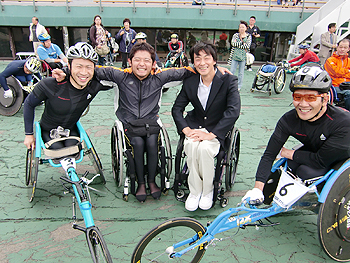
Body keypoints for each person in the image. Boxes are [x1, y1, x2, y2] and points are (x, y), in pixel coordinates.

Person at [241, 65, 350, 205]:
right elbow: (269, 155)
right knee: (291, 166)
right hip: (316, 150)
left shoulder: (343, 122)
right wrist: (257, 189)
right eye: (298, 97)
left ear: (325, 99)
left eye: (311, 98)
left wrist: (288, 153)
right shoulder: (288, 120)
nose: (303, 104)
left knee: (305, 172)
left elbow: (320, 160)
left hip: (341, 158)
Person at [172, 42, 241, 211]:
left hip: (215, 128)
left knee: (204, 150)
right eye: (198, 59)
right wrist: (185, 129)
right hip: (195, 126)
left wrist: (212, 134)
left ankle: (208, 191)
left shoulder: (228, 81)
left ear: (214, 60)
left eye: (206, 58)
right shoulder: (190, 81)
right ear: (193, 62)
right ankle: (195, 192)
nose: (202, 62)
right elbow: (176, 109)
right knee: (191, 146)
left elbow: (233, 111)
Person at [23, 42, 113, 153]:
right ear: (69, 66)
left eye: (88, 67)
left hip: (71, 129)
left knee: (74, 150)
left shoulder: (95, 85)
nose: (84, 72)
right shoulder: (49, 85)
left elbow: (121, 78)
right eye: (78, 66)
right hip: (48, 130)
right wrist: (29, 134)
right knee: (58, 151)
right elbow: (29, 104)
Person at [324, 39, 350, 111]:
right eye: (340, 47)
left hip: (348, 84)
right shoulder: (330, 60)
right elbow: (335, 72)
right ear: (337, 47)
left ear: (348, 49)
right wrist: (347, 71)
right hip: (335, 85)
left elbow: (338, 72)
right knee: (349, 94)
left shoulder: (349, 61)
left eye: (345, 48)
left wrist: (341, 73)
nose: (342, 49)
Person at [228, 20, 252, 91]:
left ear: (246, 28)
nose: (241, 28)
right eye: (240, 27)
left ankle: (239, 86)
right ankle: (230, 84)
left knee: (241, 73)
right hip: (234, 56)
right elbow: (233, 44)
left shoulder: (248, 36)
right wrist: (242, 44)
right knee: (231, 71)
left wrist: (238, 44)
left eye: (243, 27)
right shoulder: (235, 35)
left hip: (243, 57)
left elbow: (247, 46)